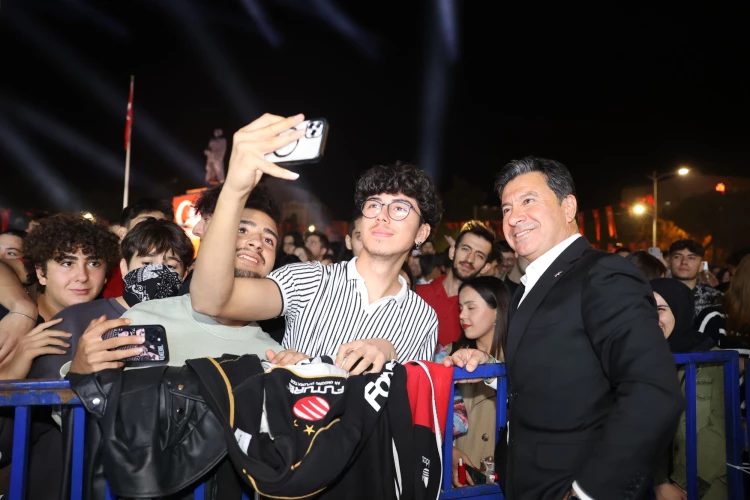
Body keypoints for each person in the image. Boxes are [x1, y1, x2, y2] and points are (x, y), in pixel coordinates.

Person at [443, 156, 684, 500]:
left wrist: (589, 492)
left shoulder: (603, 273)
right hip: (525, 479)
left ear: (568, 207)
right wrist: (488, 364)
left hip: (572, 482)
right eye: (507, 208)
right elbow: (561, 369)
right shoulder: (528, 288)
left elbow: (653, 391)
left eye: (528, 200)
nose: (514, 217)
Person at [190, 113, 440, 374]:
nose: (382, 216)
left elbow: (416, 396)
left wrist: (392, 358)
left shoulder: (422, 319)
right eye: (374, 205)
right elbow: (210, 301)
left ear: (421, 233)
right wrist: (234, 189)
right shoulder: (308, 280)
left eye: (399, 208)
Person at [27, 218, 194, 379]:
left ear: (185, 274)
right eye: (146, 264)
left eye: (170, 266)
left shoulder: (193, 321)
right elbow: (41, 391)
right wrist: (77, 371)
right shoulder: (71, 320)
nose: (158, 272)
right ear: (124, 267)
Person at [650, 279, 724, 500]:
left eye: (661, 309)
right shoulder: (632, 357)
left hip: (704, 485)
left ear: (680, 310)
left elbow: (721, 428)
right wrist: (659, 482)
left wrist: (684, 484)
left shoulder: (710, 357)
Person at [434, 277, 510, 488]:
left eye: (471, 307)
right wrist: (447, 450)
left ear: (498, 311)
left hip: (500, 478)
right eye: (460, 308)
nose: (462, 315)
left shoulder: (517, 360)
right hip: (452, 480)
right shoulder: (448, 356)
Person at [417, 220, 494, 346]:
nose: (469, 259)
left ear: (485, 267)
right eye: (465, 249)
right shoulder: (417, 294)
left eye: (479, 255)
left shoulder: (481, 312)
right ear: (452, 252)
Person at [668, 240, 722, 318]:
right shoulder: (656, 294)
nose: (684, 262)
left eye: (691, 258)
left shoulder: (714, 298)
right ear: (669, 262)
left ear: (701, 266)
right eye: (677, 256)